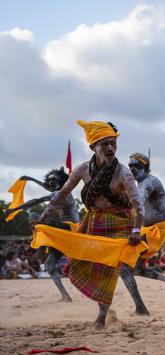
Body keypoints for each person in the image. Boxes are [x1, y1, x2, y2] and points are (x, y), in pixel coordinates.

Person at [36, 120, 146, 329]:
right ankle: (106, 310)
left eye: (113, 143)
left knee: (108, 268)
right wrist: (42, 218)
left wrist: (137, 230)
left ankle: (102, 315)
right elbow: (61, 195)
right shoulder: (82, 170)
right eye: (105, 144)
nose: (111, 148)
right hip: (94, 222)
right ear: (92, 147)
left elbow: (138, 204)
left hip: (121, 222)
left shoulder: (123, 172)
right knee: (85, 265)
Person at [117, 153, 165, 316]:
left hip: (157, 230)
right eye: (130, 166)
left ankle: (141, 309)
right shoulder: (136, 184)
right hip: (146, 229)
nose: (133, 169)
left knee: (124, 265)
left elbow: (140, 198)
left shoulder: (149, 182)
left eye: (137, 166)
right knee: (137, 269)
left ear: (145, 168)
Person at [5, 168, 79, 301]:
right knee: (50, 265)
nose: (50, 183)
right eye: (49, 181)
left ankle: (40, 245)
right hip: (63, 234)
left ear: (61, 182)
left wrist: (15, 208)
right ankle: (65, 296)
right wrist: (31, 179)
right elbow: (47, 187)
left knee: (34, 215)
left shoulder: (63, 193)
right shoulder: (58, 191)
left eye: (54, 181)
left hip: (71, 230)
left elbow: (38, 200)